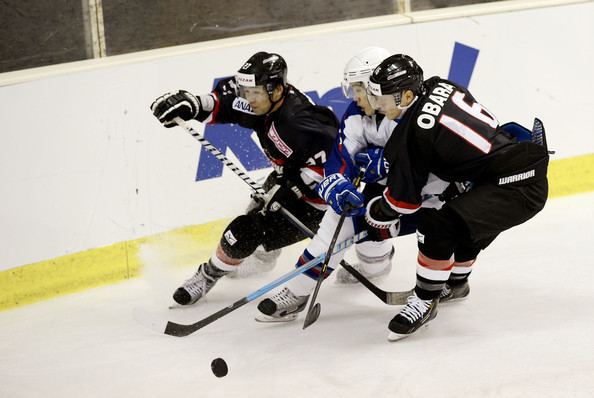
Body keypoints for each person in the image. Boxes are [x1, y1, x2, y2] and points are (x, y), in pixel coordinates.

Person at [362, 54, 549, 340]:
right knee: (465, 221)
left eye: (382, 98)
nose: (377, 106)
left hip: (514, 185)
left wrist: (379, 211)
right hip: (512, 168)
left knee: (437, 226)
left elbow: (403, 203)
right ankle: (456, 284)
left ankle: (425, 300)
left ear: (406, 95)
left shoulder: (412, 134)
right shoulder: (442, 85)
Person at [255, 48, 449, 322]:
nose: (355, 98)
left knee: (446, 234)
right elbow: (340, 157)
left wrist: (388, 163)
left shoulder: (418, 113)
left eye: (359, 89)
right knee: (339, 221)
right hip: (390, 196)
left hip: (432, 198)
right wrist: (337, 185)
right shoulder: (357, 113)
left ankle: (455, 280)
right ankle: (297, 292)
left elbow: (435, 161)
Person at [150, 51, 339, 305]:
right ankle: (225, 270)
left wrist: (293, 190)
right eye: (246, 92)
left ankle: (376, 261)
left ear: (277, 89)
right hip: (285, 179)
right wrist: (193, 104)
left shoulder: (299, 121)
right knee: (246, 228)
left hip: (319, 203)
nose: (249, 99)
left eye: (255, 93)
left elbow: (336, 161)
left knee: (247, 232)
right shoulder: (262, 99)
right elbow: (226, 101)